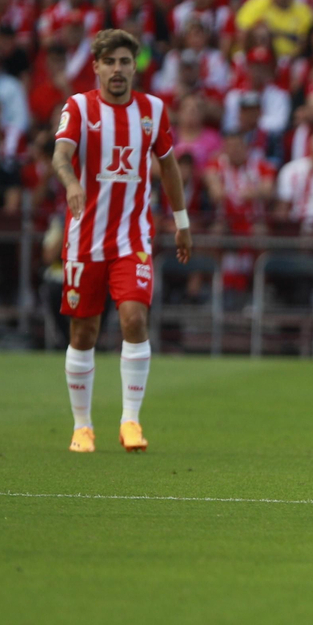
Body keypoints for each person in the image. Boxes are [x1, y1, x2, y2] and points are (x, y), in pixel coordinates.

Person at [51, 29, 193, 454]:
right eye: (109, 62)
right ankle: (82, 426)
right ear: (95, 66)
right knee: (84, 331)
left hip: (133, 238)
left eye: (125, 62)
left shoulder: (152, 110)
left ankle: (130, 420)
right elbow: (59, 154)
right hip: (84, 239)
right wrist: (72, 181)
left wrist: (181, 222)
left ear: (135, 67)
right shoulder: (78, 107)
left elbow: (169, 168)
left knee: (134, 319)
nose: (117, 69)